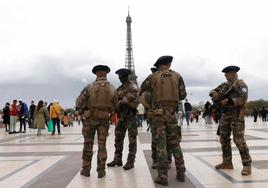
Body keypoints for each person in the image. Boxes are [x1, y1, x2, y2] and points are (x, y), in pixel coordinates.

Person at [141, 56, 187, 186]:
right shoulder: (177, 76)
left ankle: (162, 176)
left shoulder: (153, 77)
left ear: (159, 65)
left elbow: (142, 92)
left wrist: (150, 103)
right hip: (172, 115)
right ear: (169, 64)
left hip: (158, 115)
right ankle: (181, 173)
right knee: (175, 144)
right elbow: (183, 95)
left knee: (161, 145)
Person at [209, 65, 252, 175]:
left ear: (233, 73)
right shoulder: (225, 85)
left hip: (236, 115)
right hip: (225, 114)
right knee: (223, 139)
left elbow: (243, 99)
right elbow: (213, 91)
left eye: (227, 73)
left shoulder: (241, 85)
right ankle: (227, 162)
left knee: (239, 140)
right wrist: (215, 94)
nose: (225, 75)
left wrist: (229, 101)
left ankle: (247, 165)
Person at [76, 65, 117, 178]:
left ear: (96, 74)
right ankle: (101, 171)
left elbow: (78, 103)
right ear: (106, 74)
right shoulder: (112, 88)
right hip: (104, 120)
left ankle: (86, 170)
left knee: (88, 144)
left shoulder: (89, 87)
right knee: (102, 145)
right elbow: (116, 105)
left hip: (90, 120)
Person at [107, 68, 139, 170]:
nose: (120, 79)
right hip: (121, 117)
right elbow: (115, 99)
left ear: (127, 76)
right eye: (119, 77)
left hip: (130, 117)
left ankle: (130, 161)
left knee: (132, 140)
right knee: (118, 139)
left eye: (122, 77)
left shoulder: (132, 85)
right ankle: (117, 159)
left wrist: (123, 100)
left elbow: (134, 94)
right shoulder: (119, 88)